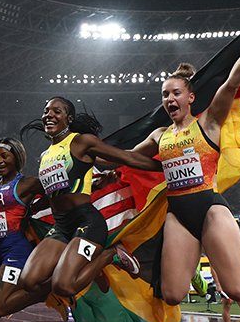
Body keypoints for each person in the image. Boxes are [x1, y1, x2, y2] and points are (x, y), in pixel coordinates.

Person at [127, 11, 240, 309]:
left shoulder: (209, 123)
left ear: (190, 98)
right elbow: (129, 158)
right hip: (178, 215)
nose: (169, 99)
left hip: (210, 210)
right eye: (164, 95)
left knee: (239, 292)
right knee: (173, 295)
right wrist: (104, 170)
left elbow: (232, 83)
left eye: (176, 93)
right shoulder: (160, 135)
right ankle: (194, 269)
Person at [18, 98, 164, 302]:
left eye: (56, 111)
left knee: (64, 285)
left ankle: (110, 255)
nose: (49, 115)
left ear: (68, 119)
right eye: (46, 111)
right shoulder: (45, 155)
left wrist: (165, 168)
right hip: (61, 226)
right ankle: (84, 266)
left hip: (86, 223)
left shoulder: (81, 142)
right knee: (28, 281)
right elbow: (55, 192)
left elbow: (127, 158)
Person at [0, 138, 50, 320]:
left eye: (4, 156)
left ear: (17, 158)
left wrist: (34, 208)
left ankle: (47, 289)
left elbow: (56, 194)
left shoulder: (28, 183)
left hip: (15, 251)